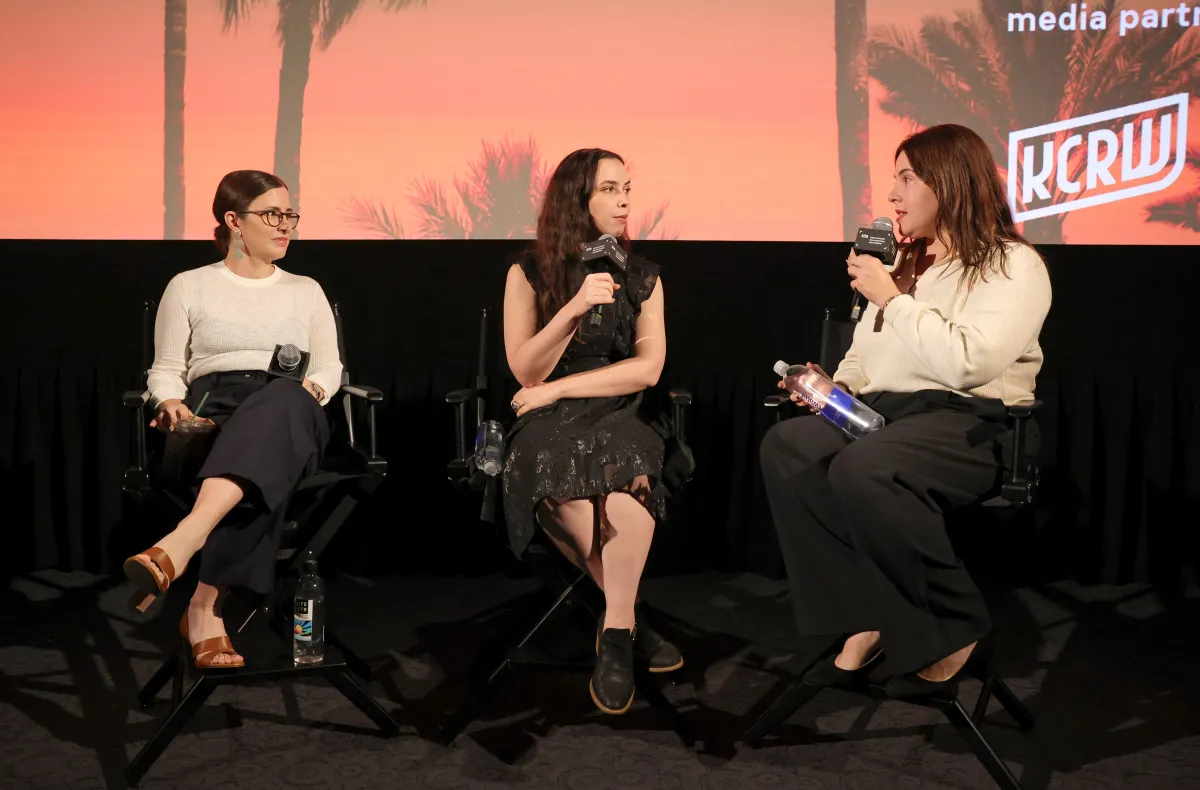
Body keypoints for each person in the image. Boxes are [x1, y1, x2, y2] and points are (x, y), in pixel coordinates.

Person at [759, 124, 1052, 701]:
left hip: (975, 422)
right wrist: (834, 388)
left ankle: (955, 623)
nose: (892, 194)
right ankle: (867, 615)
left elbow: (968, 363)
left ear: (950, 184)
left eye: (907, 178)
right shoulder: (907, 264)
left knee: (866, 468)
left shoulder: (1012, 264)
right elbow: (866, 356)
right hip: (889, 417)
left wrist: (892, 299)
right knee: (789, 447)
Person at [123, 170, 342, 669]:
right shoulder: (190, 285)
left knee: (282, 401)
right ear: (233, 220)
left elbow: (330, 367)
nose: (285, 225)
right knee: (263, 462)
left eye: (290, 215)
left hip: (293, 408)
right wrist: (168, 402)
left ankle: (184, 543)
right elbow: (166, 369)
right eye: (272, 214)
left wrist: (311, 391)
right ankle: (204, 606)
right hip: (216, 409)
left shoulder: (306, 290)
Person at [501, 148, 691, 715]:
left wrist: (557, 389)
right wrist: (573, 309)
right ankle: (630, 619)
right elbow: (526, 370)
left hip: (620, 407)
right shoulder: (527, 273)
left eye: (627, 188)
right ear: (575, 198)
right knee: (551, 469)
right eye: (610, 189)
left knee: (627, 475)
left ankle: (613, 636)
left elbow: (647, 369)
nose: (625, 200)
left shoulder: (644, 277)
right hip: (547, 418)